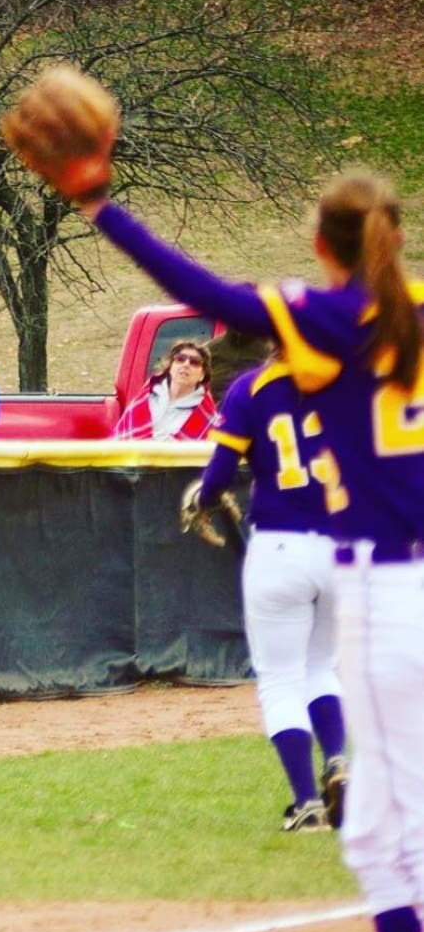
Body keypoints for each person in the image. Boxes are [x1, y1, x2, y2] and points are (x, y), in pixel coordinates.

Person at [57, 162, 424, 932]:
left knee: (389, 822)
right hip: (383, 581)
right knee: (384, 813)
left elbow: (200, 291)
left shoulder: (330, 321)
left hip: (385, 589)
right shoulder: (416, 307)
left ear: (320, 246)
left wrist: (100, 203)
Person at [194, 344, 348, 833]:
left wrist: (205, 498)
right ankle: (339, 761)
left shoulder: (252, 387)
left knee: (281, 679)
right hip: (344, 544)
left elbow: (219, 476)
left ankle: (306, 803)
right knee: (321, 666)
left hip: (280, 546)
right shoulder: (351, 383)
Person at [113, 338, 218, 440]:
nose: (186, 364)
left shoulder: (208, 419)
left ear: (202, 376)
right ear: (170, 367)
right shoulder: (144, 399)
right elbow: (119, 441)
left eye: (195, 362)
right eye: (180, 359)